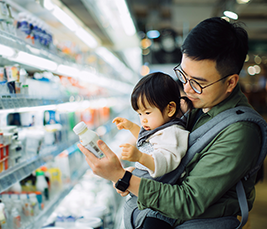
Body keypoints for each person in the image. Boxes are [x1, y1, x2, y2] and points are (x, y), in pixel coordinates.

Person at [78, 17, 263, 228]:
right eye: (183, 75)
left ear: (230, 83)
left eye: (198, 83)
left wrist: (123, 178)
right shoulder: (196, 106)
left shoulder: (240, 131)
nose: (187, 88)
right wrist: (136, 176)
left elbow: (188, 201)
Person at [112, 72, 191, 228]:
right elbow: (147, 139)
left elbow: (164, 162)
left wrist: (140, 157)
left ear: (170, 109)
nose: (143, 119)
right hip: (149, 197)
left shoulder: (173, 134)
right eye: (139, 114)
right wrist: (130, 126)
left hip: (159, 209)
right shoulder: (161, 128)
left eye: (147, 112)